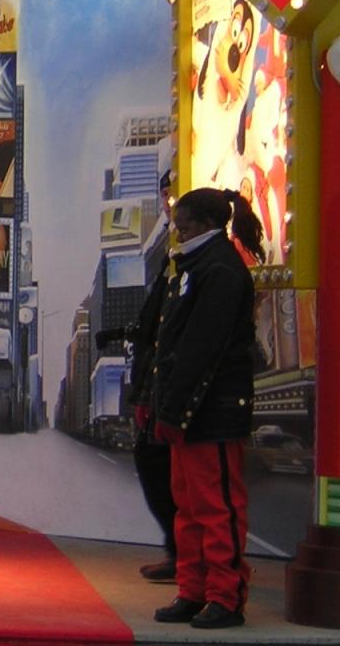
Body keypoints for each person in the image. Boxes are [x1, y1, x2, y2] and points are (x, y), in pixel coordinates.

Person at [150, 187, 263, 630]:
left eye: (182, 227)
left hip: (211, 408)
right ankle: (193, 590)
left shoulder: (219, 270)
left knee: (217, 508)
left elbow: (201, 348)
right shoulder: (197, 266)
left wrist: (174, 407)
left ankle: (225, 598)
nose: (177, 234)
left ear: (205, 225)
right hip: (192, 407)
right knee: (190, 508)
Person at [96, 170, 177, 581]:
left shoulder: (200, 262)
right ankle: (181, 554)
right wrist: (121, 334)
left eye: (172, 195)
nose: (167, 203)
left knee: (177, 478)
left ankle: (195, 564)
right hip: (155, 383)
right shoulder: (175, 259)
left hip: (175, 387)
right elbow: (153, 323)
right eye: (164, 195)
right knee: (154, 468)